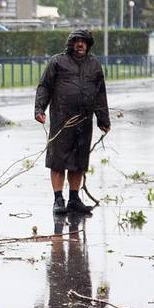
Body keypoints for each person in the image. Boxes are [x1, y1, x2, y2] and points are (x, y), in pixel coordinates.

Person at [34, 29, 111, 215]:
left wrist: (103, 118)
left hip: (84, 121)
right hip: (62, 119)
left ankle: (74, 199)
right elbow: (45, 86)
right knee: (58, 160)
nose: (80, 44)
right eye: (76, 41)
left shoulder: (94, 65)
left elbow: (100, 93)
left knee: (79, 161)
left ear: (88, 44)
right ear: (70, 43)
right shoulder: (57, 62)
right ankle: (58, 199)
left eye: (83, 41)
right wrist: (39, 109)